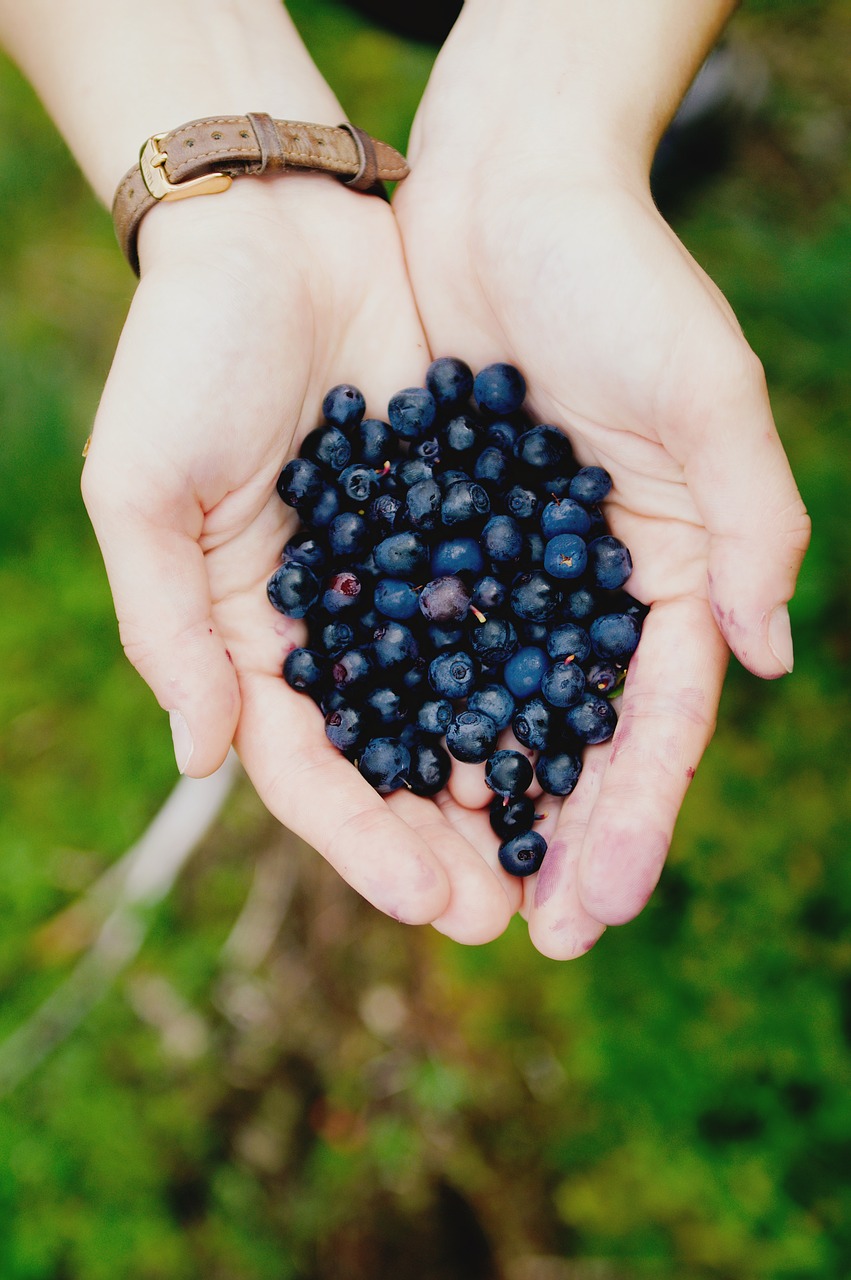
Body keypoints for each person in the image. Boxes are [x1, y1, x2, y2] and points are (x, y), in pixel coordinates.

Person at [0, 0, 810, 959]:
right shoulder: (411, 550)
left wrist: (548, 130)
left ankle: (648, 81)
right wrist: (234, 207)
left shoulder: (473, 533)